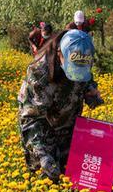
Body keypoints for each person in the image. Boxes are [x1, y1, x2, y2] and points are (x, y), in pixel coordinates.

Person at [18, 29, 103, 182]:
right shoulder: (39, 73)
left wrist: (90, 91)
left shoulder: (82, 57)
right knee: (48, 176)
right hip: (42, 132)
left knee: (73, 174)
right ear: (59, 54)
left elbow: (86, 78)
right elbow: (30, 120)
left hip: (69, 126)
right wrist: (42, 156)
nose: (77, 75)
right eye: (73, 68)